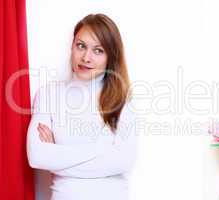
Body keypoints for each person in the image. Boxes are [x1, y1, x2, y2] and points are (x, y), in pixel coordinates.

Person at [26, 13, 139, 200]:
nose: (86, 57)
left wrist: (57, 153)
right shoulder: (48, 95)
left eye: (98, 50)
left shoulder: (122, 100)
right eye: (81, 46)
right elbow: (37, 156)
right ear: (72, 46)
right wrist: (102, 149)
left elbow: (124, 161)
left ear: (110, 56)